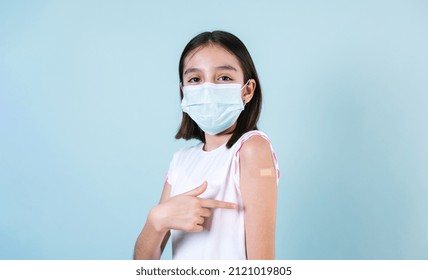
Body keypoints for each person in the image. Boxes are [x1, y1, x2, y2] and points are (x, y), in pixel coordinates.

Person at [133, 30, 279, 260]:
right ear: (184, 92)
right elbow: (142, 264)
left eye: (223, 78)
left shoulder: (251, 149)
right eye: (195, 79)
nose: (208, 89)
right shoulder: (180, 161)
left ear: (247, 90)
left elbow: (263, 265)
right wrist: (156, 221)